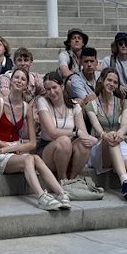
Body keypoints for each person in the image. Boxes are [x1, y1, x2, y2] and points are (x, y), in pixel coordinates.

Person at [0, 67, 70, 211]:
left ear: (27, 85)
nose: (19, 81)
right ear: (11, 80)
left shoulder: (27, 108)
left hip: (15, 150)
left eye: (23, 79)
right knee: (28, 159)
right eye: (16, 77)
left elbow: (32, 143)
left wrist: (14, 148)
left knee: (37, 159)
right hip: (0, 153)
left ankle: (62, 193)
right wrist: (11, 148)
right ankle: (41, 197)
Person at [36, 70, 102, 200]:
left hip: (68, 150)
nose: (51, 92)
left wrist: (88, 138)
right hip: (48, 149)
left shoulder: (75, 105)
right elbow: (52, 132)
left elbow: (82, 132)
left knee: (84, 143)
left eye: (54, 88)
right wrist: (75, 133)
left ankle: (71, 179)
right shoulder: (42, 101)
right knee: (64, 141)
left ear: (62, 86)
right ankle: (62, 179)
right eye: (47, 89)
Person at [84, 67, 127, 204]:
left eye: (115, 82)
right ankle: (124, 181)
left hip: (118, 141)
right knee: (110, 137)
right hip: (101, 146)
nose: (112, 84)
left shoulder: (124, 103)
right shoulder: (91, 105)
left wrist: (120, 134)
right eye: (109, 80)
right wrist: (107, 135)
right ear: (101, 80)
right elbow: (98, 129)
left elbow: (124, 125)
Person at [100, 32, 127, 96]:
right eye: (120, 44)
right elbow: (102, 78)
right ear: (116, 45)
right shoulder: (108, 60)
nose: (123, 46)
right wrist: (117, 86)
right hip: (114, 92)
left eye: (126, 44)